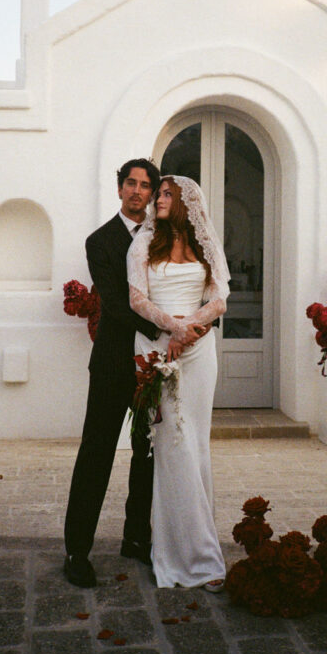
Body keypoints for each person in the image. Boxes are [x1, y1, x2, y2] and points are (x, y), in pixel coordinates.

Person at [63, 159, 203, 588]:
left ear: (153, 192)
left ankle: (136, 538)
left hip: (156, 364)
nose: (138, 191)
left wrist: (188, 326)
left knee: (148, 453)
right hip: (114, 362)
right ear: (120, 188)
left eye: (146, 185)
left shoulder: (166, 236)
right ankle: (76, 551)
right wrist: (168, 328)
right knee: (97, 452)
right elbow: (116, 303)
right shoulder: (100, 241)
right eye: (131, 183)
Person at [127, 175, 230, 590]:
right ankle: (189, 556)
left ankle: (202, 542)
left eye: (167, 194)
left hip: (199, 351)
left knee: (197, 443)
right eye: (160, 193)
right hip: (158, 349)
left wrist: (189, 330)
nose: (158, 198)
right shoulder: (143, 244)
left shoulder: (205, 246)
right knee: (174, 444)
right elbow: (137, 299)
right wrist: (173, 328)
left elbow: (218, 300)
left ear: (186, 202)